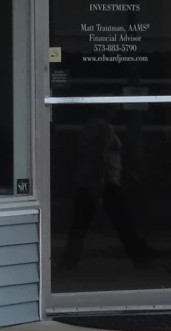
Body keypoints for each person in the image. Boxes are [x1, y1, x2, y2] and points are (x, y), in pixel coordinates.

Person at [61, 109, 152, 269]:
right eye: (113, 106)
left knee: (81, 224)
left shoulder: (88, 126)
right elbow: (100, 156)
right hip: (105, 182)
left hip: (90, 181)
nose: (116, 110)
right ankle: (140, 258)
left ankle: (69, 260)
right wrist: (100, 183)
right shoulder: (104, 128)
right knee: (122, 222)